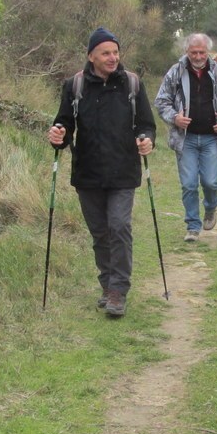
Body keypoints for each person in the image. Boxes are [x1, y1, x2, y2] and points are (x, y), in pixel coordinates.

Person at [47, 27, 156, 318]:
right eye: (106, 53)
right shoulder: (74, 85)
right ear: (91, 56)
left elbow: (146, 123)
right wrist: (58, 134)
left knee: (119, 227)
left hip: (123, 170)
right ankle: (107, 285)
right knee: (100, 233)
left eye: (116, 52)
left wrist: (147, 139)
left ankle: (119, 290)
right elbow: (64, 123)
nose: (113, 58)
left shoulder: (132, 84)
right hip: (88, 172)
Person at [154, 33, 217, 242]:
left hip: (212, 137)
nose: (198, 56)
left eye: (202, 52)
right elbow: (161, 101)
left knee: (210, 182)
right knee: (189, 184)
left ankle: (210, 209)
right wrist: (174, 118)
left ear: (208, 52)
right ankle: (192, 225)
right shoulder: (175, 72)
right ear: (187, 52)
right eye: (194, 52)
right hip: (186, 139)